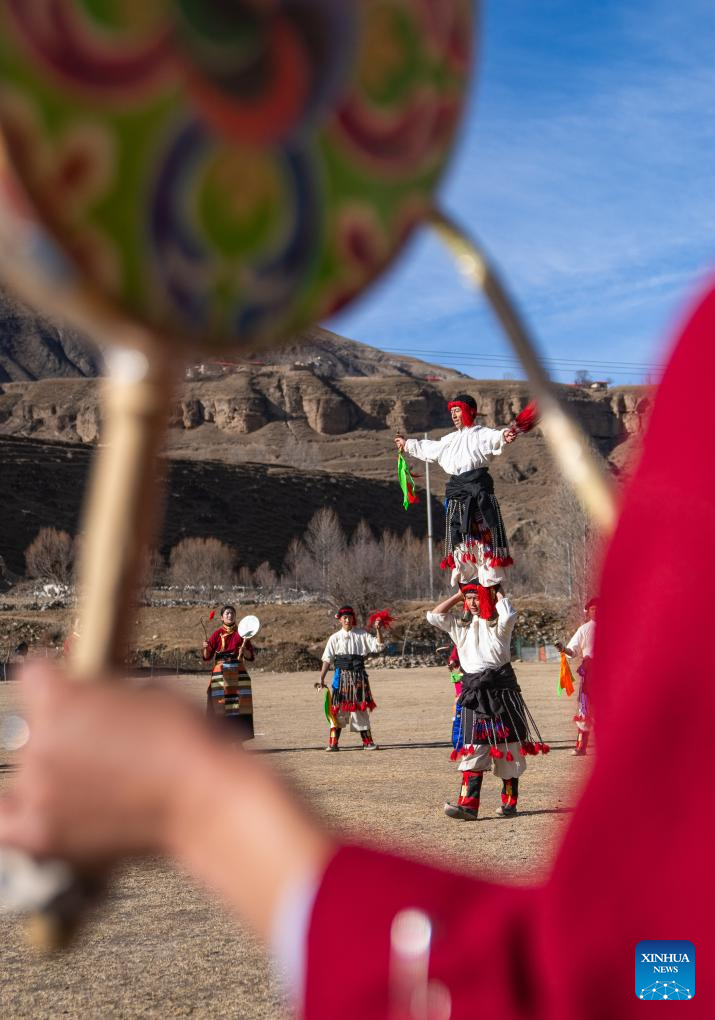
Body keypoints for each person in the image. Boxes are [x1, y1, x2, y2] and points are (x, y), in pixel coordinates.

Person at [1, 283, 713, 1019]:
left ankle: (495, 792)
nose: (463, 417)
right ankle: (461, 788)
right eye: (463, 413)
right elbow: (648, 972)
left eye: (468, 414)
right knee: (438, 723)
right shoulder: (451, 457)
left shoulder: (491, 570)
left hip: (485, 653)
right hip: (410, 637)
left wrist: (198, 801)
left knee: (491, 740)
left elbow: (614, 975)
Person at [427, 582, 545, 819]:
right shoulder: (460, 628)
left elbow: (509, 613)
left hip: (502, 695)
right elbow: (434, 616)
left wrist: (496, 589)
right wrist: (458, 595)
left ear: (487, 599)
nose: (472, 603)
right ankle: (468, 806)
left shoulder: (500, 627)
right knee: (473, 749)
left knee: (508, 750)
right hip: (474, 696)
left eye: (476, 597)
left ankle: (509, 803)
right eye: (468, 598)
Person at [394, 394, 534, 584]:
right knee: (459, 538)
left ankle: (491, 578)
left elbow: (496, 436)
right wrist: (407, 444)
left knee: (485, 538)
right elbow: (429, 447)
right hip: (457, 493)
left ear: (470, 411)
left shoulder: (481, 433)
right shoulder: (449, 440)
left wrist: (504, 435)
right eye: (451, 412)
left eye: (457, 410)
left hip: (478, 493)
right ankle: (466, 574)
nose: (453, 415)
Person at [316, 606, 384, 750]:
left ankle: (368, 742)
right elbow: (327, 659)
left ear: (353, 618)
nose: (347, 620)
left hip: (359, 677)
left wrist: (378, 629)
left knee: (360, 709)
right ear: (340, 620)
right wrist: (321, 678)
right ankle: (333, 743)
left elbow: (377, 646)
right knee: (338, 709)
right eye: (344, 618)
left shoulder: (362, 634)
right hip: (341, 678)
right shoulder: (334, 638)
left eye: (350, 617)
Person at [202, 605, 255, 740]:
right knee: (219, 706)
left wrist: (244, 651)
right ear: (221, 617)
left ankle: (238, 740)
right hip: (221, 676)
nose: (229, 616)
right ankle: (220, 740)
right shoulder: (216, 634)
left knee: (240, 707)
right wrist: (205, 648)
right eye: (227, 614)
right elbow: (207, 657)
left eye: (232, 613)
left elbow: (250, 657)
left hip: (238, 673)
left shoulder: (242, 634)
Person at [556, 598, 597, 755]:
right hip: (590, 671)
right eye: (593, 609)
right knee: (585, 708)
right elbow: (573, 651)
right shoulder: (584, 629)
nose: (597, 611)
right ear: (588, 612)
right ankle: (581, 746)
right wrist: (564, 649)